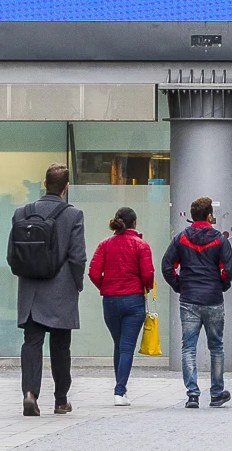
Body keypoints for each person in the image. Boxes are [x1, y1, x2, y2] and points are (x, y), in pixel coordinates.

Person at [9, 164, 85, 417]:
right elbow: (77, 256)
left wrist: (27, 274)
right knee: (61, 346)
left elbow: (12, 256)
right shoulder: (73, 215)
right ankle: (61, 400)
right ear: (66, 187)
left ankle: (30, 394)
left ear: (44, 183)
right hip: (61, 287)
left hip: (30, 289)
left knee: (31, 343)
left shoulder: (22, 213)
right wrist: (77, 283)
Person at [161, 196, 232, 408]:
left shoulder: (180, 239)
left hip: (189, 299)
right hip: (213, 299)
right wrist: (222, 284)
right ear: (210, 216)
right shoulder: (220, 240)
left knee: (188, 347)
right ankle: (216, 393)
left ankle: (192, 394)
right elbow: (229, 269)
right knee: (216, 347)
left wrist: (179, 285)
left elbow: (167, 266)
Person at [88, 206, 156, 403]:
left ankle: (121, 390)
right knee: (126, 347)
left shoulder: (104, 245)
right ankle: (120, 391)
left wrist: (105, 287)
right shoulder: (141, 245)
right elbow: (147, 274)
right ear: (134, 223)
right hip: (133, 300)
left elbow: (93, 272)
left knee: (118, 344)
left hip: (110, 301)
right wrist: (147, 287)